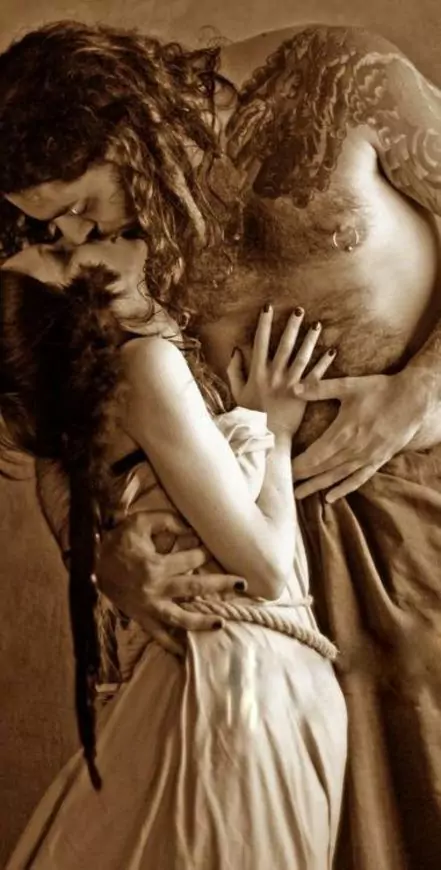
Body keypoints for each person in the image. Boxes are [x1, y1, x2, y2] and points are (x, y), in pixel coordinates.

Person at [1, 18, 441, 867]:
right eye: (52, 227)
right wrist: (99, 557)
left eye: (84, 207)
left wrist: (416, 396)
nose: (76, 239)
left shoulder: (332, 80)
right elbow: (59, 413)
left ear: (131, 128)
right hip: (236, 593)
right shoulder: (47, 217)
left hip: (415, 530)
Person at [0, 237, 346, 869]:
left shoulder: (79, 431)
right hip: (236, 678)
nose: (87, 239)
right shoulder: (146, 368)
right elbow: (267, 568)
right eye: (62, 253)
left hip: (231, 675)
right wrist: (275, 431)